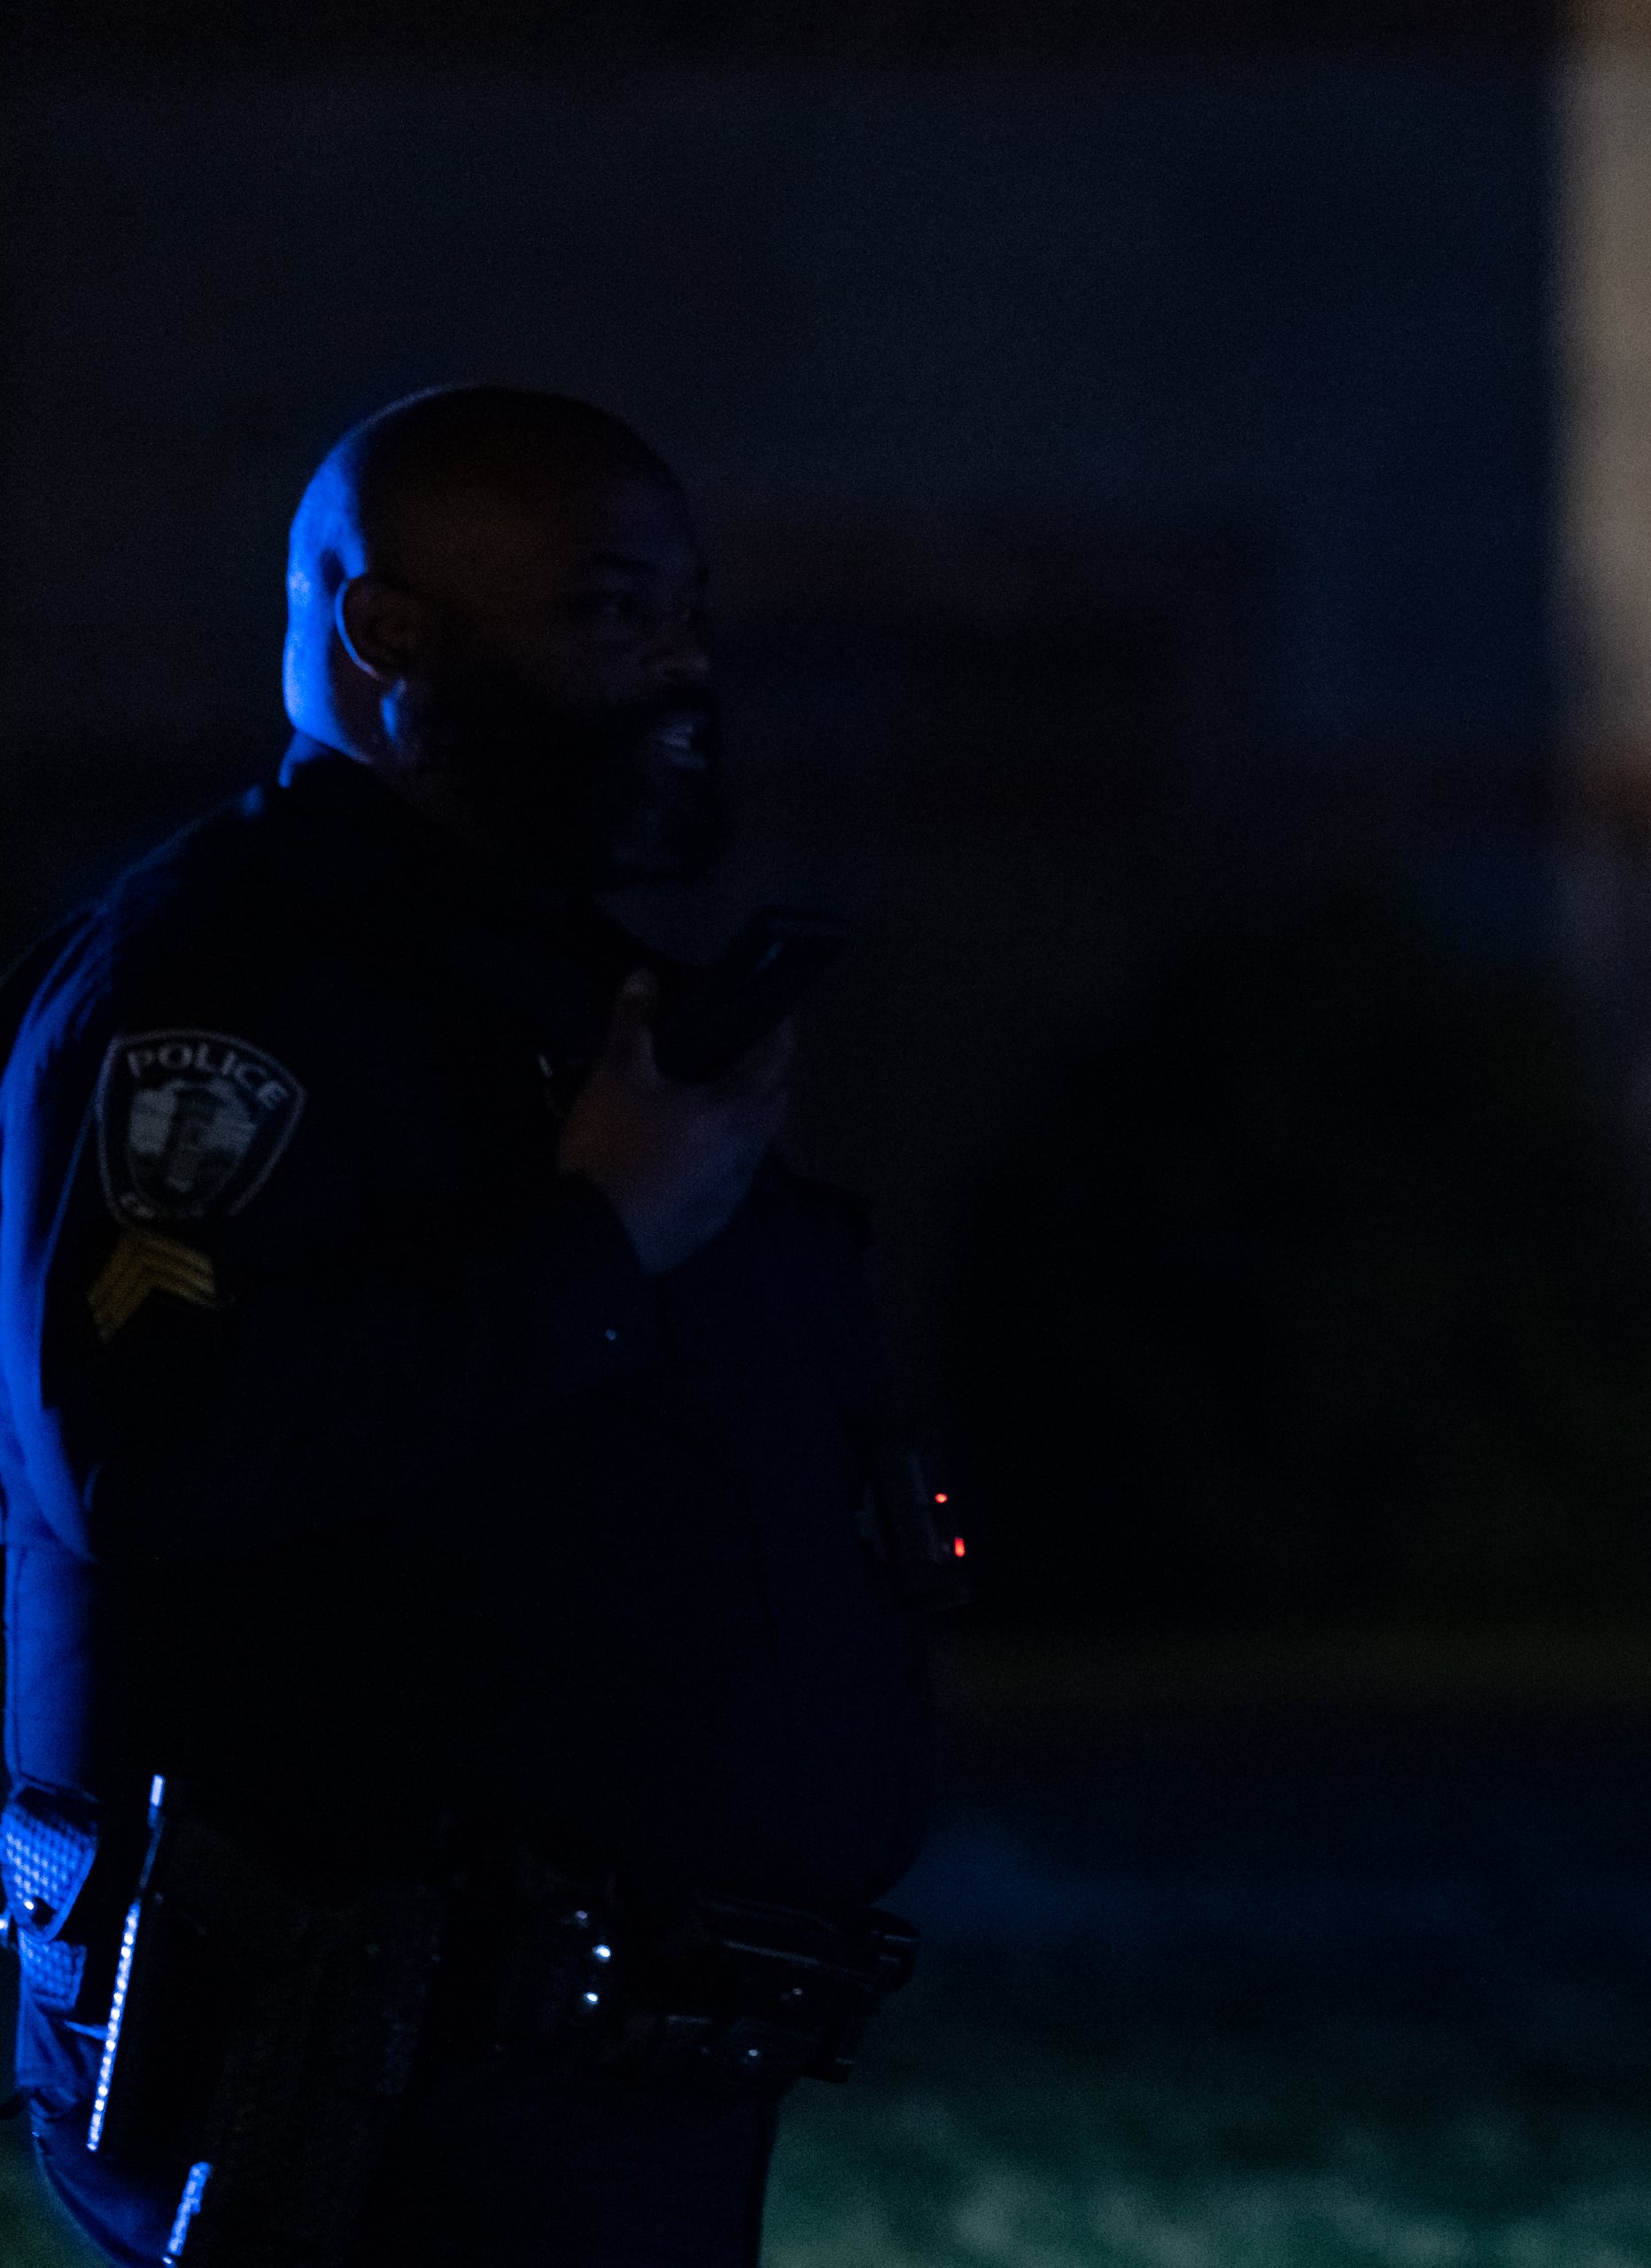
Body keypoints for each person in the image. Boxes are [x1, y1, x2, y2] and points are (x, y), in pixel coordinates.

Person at [0, 387, 945, 2266]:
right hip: (365, 2095)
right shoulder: (230, 977)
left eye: (689, 610)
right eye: (610, 610)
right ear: (390, 639)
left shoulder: (548, 979)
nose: (683, 666)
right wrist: (597, 1233)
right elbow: (147, 1446)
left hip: (599, 2074)